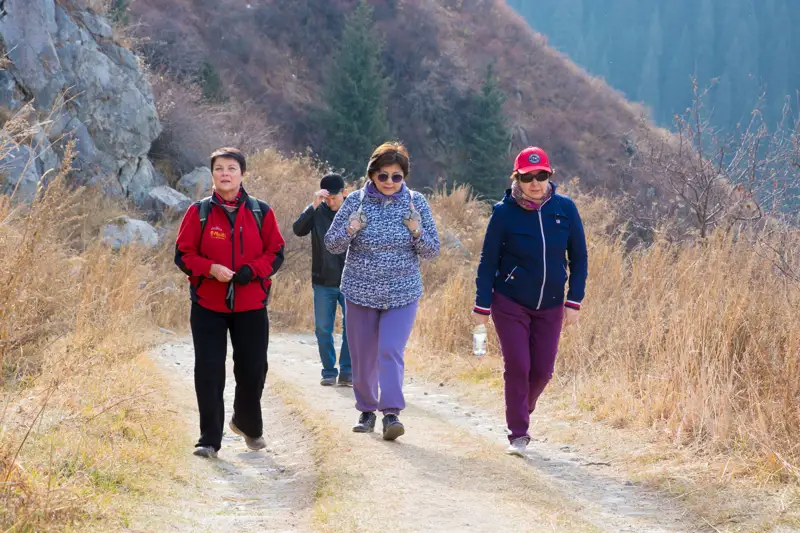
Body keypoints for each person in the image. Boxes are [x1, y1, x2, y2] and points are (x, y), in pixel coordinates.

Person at [472, 146, 588, 457]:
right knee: (519, 366)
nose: (535, 182)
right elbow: (488, 261)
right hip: (510, 302)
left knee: (543, 372)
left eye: (541, 176)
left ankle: (522, 406)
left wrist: (574, 300)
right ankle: (518, 433)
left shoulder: (565, 209)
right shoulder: (503, 212)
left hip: (550, 304)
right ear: (517, 178)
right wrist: (482, 306)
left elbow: (579, 257)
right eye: (527, 177)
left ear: (550, 176)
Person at [175, 147, 285, 459]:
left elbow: (276, 252)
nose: (226, 173)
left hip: (251, 304)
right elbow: (183, 254)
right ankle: (209, 439)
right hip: (208, 304)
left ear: (242, 174)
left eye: (232, 168)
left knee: (253, 370)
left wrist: (253, 271)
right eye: (220, 168)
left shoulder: (261, 211)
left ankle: (247, 424)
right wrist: (209, 268)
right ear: (212, 175)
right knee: (209, 372)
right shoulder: (198, 212)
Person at [325, 142, 440, 441]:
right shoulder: (354, 202)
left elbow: (432, 250)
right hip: (360, 290)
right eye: (383, 176)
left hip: (402, 293)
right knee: (362, 356)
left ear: (405, 177)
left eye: (396, 176)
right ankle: (366, 411)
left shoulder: (416, 203)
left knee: (390, 350)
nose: (389, 182)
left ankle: (391, 413)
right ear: (372, 175)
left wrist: (417, 230)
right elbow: (332, 244)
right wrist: (351, 229)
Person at [292, 173, 352, 387]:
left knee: (351, 328)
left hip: (350, 281)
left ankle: (347, 371)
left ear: (344, 193)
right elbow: (298, 230)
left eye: (334, 198)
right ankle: (328, 371)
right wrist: (313, 205)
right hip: (322, 280)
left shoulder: (355, 212)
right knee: (323, 329)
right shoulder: (317, 212)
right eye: (327, 198)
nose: (330, 202)